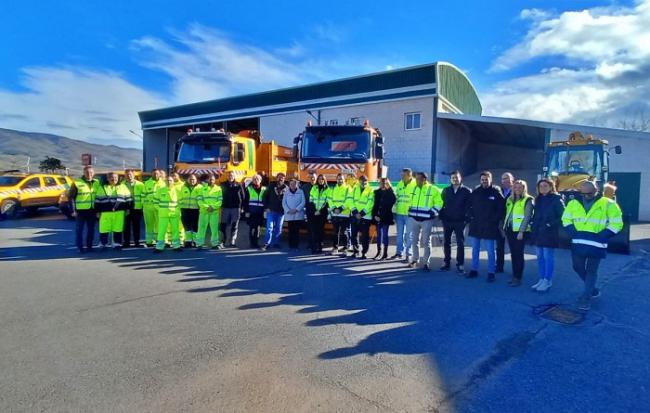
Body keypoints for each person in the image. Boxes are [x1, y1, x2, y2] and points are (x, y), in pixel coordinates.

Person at [562, 181, 624, 310]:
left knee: (591, 271)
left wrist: (603, 235)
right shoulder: (573, 203)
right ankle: (592, 289)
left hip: (597, 243)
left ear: (596, 191)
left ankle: (586, 298)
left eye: (589, 194)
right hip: (578, 241)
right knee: (577, 267)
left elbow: (617, 223)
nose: (586, 196)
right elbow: (566, 218)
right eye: (583, 194)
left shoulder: (608, 204)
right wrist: (573, 232)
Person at [467, 171, 505, 282]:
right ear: (480, 180)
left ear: (490, 180)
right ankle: (474, 270)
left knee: (490, 251)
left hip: (490, 226)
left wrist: (494, 220)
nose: (484, 181)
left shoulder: (496, 192)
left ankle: (491, 272)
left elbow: (501, 209)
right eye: (482, 179)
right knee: (475, 249)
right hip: (476, 225)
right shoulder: (476, 192)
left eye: (486, 179)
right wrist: (471, 217)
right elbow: (469, 206)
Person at [530, 178, 565, 292]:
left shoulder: (556, 199)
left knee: (547, 257)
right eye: (541, 186)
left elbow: (563, 217)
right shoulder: (538, 199)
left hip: (549, 233)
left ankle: (547, 280)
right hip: (538, 232)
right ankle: (541, 279)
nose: (543, 188)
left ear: (551, 187)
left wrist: (550, 224)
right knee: (540, 257)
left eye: (545, 186)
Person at [406, 172, 443, 271]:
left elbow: (439, 203)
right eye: (416, 178)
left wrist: (433, 213)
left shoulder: (433, 189)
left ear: (424, 179)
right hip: (414, 219)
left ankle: (426, 262)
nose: (416, 181)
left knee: (426, 242)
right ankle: (415, 260)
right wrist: (409, 211)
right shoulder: (413, 188)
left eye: (419, 179)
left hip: (427, 220)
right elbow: (409, 201)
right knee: (414, 241)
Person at [503, 179, 534, 286]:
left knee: (518, 254)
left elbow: (527, 217)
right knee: (513, 254)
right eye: (515, 187)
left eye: (520, 187)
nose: (517, 189)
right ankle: (514, 275)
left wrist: (521, 231)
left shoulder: (528, 200)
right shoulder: (510, 199)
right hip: (510, 230)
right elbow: (508, 215)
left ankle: (518, 277)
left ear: (524, 188)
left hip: (520, 232)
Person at [439, 170, 472, 273]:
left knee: (460, 243)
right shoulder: (446, 190)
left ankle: (460, 264)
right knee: (446, 243)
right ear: (450, 179)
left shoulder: (466, 191)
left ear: (460, 178)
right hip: (447, 221)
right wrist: (442, 216)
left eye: (456, 177)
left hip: (460, 222)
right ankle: (446, 262)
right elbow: (442, 204)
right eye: (453, 178)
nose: (455, 179)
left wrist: (466, 219)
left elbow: (470, 207)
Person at [95, 172, 132, 250]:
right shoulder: (102, 187)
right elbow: (97, 200)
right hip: (105, 212)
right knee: (104, 228)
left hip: (119, 212)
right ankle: (103, 243)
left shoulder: (123, 186)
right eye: (111, 177)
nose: (114, 179)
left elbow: (128, 198)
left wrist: (128, 208)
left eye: (115, 177)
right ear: (108, 179)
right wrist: (97, 211)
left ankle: (117, 243)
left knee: (117, 227)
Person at [68, 165, 101, 253]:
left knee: (91, 229)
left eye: (91, 172)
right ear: (83, 173)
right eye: (87, 172)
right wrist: (73, 210)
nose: (89, 174)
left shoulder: (97, 182)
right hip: (80, 211)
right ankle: (80, 247)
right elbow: (71, 197)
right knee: (79, 230)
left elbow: (99, 197)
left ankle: (89, 246)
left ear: (93, 173)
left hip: (92, 210)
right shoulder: (77, 183)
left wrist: (99, 211)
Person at [391, 168, 417, 261]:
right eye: (401, 175)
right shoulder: (400, 184)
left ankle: (408, 254)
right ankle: (399, 252)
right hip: (399, 213)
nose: (401, 176)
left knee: (409, 235)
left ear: (410, 175)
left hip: (410, 214)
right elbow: (397, 197)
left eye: (404, 175)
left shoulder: (415, 184)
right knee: (399, 234)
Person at [154, 175, 182, 253]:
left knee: (175, 230)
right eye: (167, 181)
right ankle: (159, 247)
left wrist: (177, 210)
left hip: (174, 214)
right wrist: (160, 210)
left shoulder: (177, 191)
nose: (168, 182)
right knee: (161, 230)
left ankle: (176, 246)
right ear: (164, 182)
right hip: (163, 214)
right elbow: (155, 202)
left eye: (170, 180)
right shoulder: (160, 190)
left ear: (173, 182)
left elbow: (180, 202)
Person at [350, 175, 375, 259]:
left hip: (365, 217)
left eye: (365, 182)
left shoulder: (370, 190)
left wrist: (361, 214)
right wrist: (355, 212)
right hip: (355, 215)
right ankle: (355, 251)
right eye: (362, 181)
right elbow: (350, 200)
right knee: (353, 235)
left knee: (364, 236)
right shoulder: (354, 189)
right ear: (359, 181)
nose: (364, 183)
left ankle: (364, 253)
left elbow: (370, 203)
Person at [196, 174, 223, 249]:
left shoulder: (218, 189)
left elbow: (220, 201)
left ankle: (214, 244)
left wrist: (213, 207)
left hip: (214, 212)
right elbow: (199, 200)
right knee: (201, 228)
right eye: (210, 179)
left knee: (214, 229)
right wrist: (207, 207)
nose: (211, 181)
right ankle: (199, 244)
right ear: (207, 180)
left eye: (213, 179)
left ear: (215, 180)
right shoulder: (202, 189)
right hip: (204, 212)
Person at [372, 178, 396, 260]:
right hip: (377, 216)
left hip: (386, 217)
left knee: (385, 234)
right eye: (381, 183)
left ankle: (385, 253)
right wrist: (375, 215)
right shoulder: (376, 192)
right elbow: (374, 205)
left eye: (385, 183)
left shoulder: (391, 194)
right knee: (379, 235)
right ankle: (379, 252)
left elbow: (390, 204)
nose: (383, 184)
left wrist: (389, 189)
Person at [261, 173, 287, 250]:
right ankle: (267, 244)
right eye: (279, 177)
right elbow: (264, 197)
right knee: (269, 228)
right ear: (276, 178)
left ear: (284, 179)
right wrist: (266, 207)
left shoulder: (286, 188)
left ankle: (276, 243)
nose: (280, 179)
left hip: (281, 212)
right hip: (271, 210)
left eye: (282, 178)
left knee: (278, 228)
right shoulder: (271, 186)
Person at [220, 171, 245, 248]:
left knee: (235, 225)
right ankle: (223, 241)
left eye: (232, 175)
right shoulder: (223, 185)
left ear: (234, 176)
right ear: (227, 176)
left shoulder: (239, 184)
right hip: (225, 207)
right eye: (229, 175)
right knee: (223, 225)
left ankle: (232, 241)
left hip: (236, 208)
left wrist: (242, 207)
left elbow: (243, 197)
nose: (231, 176)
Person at [330, 173, 352, 255]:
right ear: (336, 179)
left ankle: (346, 248)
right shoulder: (333, 188)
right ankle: (335, 248)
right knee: (335, 232)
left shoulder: (348, 188)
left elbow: (349, 201)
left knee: (344, 232)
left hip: (344, 214)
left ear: (344, 180)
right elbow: (330, 200)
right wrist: (334, 209)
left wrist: (340, 209)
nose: (340, 180)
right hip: (335, 214)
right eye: (338, 179)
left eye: (341, 179)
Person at [122, 169, 145, 248]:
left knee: (136, 226)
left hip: (137, 208)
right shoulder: (122, 184)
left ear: (134, 175)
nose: (129, 176)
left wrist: (142, 207)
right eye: (127, 175)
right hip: (126, 208)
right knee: (126, 226)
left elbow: (143, 196)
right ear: (125, 175)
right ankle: (126, 242)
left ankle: (137, 242)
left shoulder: (141, 184)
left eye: (130, 174)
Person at [307, 174, 330, 254]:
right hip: (314, 213)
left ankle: (320, 247)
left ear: (324, 180)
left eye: (322, 179)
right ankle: (314, 247)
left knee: (320, 231)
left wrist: (320, 211)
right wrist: (315, 210)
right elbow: (311, 200)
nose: (321, 180)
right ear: (317, 180)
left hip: (322, 213)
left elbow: (327, 202)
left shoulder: (328, 189)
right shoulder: (314, 188)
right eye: (319, 179)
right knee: (314, 231)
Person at [496, 172, 514, 273]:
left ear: (512, 179)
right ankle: (499, 266)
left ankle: (516, 270)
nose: (505, 180)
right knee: (499, 246)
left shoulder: (516, 190)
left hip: (512, 223)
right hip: (500, 222)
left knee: (514, 247)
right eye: (503, 179)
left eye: (507, 178)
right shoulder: (499, 190)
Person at [179, 174, 203, 248]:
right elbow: (180, 198)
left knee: (196, 225)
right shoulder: (183, 187)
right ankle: (188, 241)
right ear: (188, 180)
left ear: (196, 180)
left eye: (193, 179)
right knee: (186, 226)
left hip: (196, 209)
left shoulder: (200, 188)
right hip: (185, 209)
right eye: (190, 179)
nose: (192, 181)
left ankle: (195, 241)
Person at [282, 177, 306, 250]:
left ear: (296, 185)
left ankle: (296, 246)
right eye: (291, 184)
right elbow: (284, 203)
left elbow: (303, 202)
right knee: (290, 231)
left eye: (294, 184)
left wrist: (296, 209)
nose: (292, 185)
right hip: (289, 214)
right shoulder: (286, 193)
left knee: (296, 231)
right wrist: (288, 210)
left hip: (298, 214)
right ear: (289, 185)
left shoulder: (301, 192)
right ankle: (291, 245)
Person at [243, 174, 266, 248]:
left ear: (260, 181)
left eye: (257, 179)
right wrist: (246, 211)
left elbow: (266, 200)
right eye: (254, 179)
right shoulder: (249, 189)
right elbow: (245, 201)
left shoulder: (264, 189)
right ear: (252, 181)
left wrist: (265, 210)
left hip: (260, 212)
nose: (256, 181)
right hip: (251, 212)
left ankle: (256, 243)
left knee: (258, 229)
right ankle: (252, 243)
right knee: (252, 228)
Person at [143, 169, 164, 247]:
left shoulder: (163, 183)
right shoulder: (147, 183)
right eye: (154, 173)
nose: (155, 175)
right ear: (151, 174)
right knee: (149, 224)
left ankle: (158, 240)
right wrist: (144, 204)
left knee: (159, 224)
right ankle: (149, 241)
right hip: (148, 207)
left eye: (157, 174)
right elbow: (143, 195)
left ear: (160, 174)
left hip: (159, 208)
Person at [302, 171, 317, 250]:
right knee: (309, 227)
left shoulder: (319, 186)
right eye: (311, 177)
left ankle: (317, 243)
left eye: (313, 177)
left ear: (316, 178)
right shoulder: (304, 187)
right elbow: (301, 198)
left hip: (318, 209)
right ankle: (310, 243)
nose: (312, 179)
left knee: (317, 227)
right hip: (308, 209)